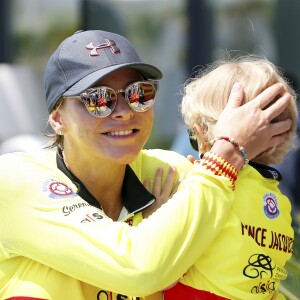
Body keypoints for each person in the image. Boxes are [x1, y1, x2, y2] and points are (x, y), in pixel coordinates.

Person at [0, 30, 292, 300]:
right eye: (97, 99)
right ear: (57, 118)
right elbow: (137, 268)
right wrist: (229, 148)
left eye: (139, 93)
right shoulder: (17, 179)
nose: (125, 112)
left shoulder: (175, 172)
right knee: (47, 272)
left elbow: (251, 266)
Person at [160, 55, 297, 300]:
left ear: (203, 134)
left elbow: (159, 268)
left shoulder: (203, 187)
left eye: (193, 136)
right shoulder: (280, 204)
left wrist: (158, 211)